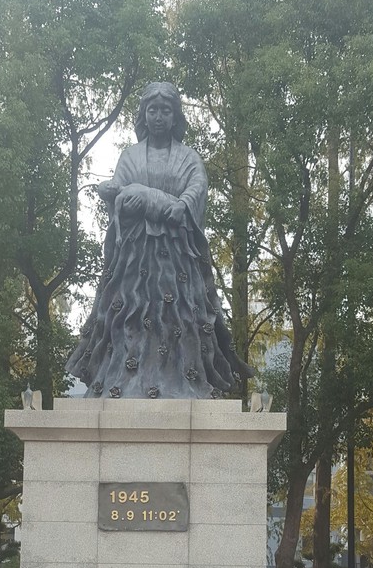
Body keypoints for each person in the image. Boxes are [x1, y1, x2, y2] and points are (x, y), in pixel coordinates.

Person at [67, 80, 252, 399]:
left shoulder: (189, 157)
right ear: (144, 115)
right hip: (135, 258)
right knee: (130, 315)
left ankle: (184, 378)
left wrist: (156, 201)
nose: (158, 116)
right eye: (152, 109)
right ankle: (122, 378)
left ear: (175, 115)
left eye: (166, 110)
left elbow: (191, 200)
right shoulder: (131, 156)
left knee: (179, 316)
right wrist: (120, 195)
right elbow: (120, 196)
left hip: (177, 257)